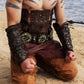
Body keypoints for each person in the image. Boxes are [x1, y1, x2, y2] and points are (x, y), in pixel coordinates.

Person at [5, 0, 78, 84]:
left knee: (70, 72)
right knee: (25, 82)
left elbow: (61, 22)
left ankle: (39, 60)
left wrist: (69, 49)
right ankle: (26, 61)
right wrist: (22, 59)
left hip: (47, 44)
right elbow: (13, 27)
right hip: (24, 45)